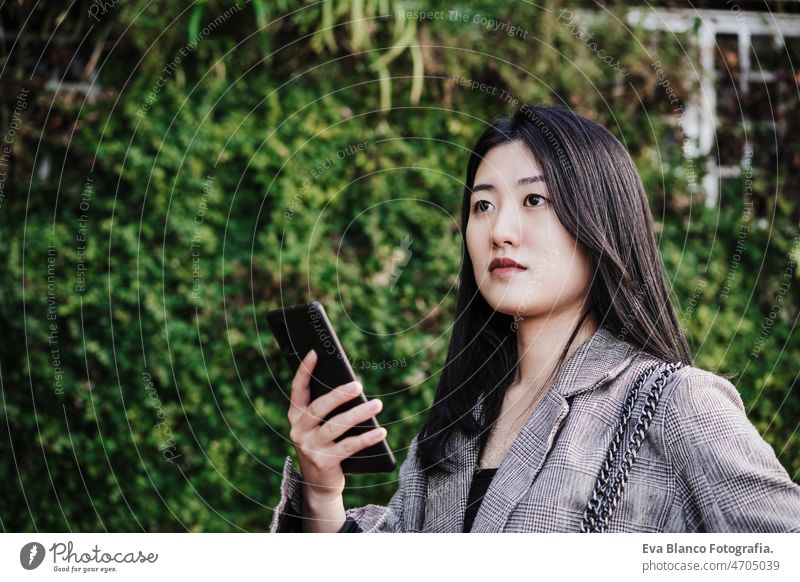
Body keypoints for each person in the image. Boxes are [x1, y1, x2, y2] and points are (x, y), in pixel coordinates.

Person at [270, 104, 800, 533]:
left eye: (534, 199)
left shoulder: (675, 405)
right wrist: (320, 493)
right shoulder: (455, 426)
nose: (501, 229)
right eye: (482, 205)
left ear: (599, 221)